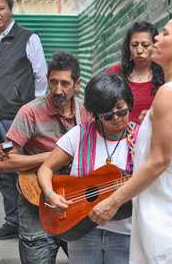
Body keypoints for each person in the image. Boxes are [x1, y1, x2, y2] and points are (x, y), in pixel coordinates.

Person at [85, 15, 172, 263]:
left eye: (166, 33)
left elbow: (159, 161)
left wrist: (113, 201)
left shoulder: (170, 93)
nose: (157, 38)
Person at [0, 52, 91, 263]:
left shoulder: (87, 113)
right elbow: (4, 161)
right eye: (53, 82)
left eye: (65, 83)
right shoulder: (29, 112)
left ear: (77, 84)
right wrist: (51, 157)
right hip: (36, 205)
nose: (58, 90)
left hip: (74, 203)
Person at [38, 73, 138, 263]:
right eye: (108, 115)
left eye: (122, 111)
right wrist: (50, 194)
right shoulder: (80, 134)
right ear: (96, 114)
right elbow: (46, 168)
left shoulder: (141, 138)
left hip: (126, 234)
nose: (117, 118)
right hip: (82, 231)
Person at [0, 0, 48, 240]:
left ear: (10, 9)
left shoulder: (28, 38)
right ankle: (12, 222)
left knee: (22, 169)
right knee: (2, 172)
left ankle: (33, 220)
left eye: (0, 8)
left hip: (16, 118)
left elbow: (41, 75)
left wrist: (33, 110)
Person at [106, 21, 164, 124]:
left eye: (145, 45)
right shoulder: (114, 73)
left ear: (155, 46)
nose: (139, 50)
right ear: (128, 47)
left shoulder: (165, 75)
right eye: (134, 45)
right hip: (120, 137)